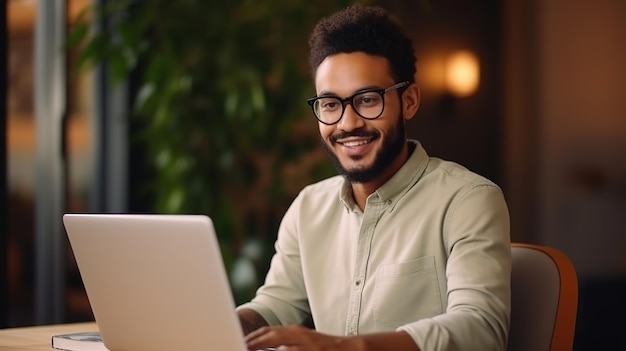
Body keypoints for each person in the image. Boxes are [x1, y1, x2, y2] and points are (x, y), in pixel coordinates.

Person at [237, 4, 511, 351]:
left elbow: (481, 330)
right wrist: (225, 322)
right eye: (331, 104)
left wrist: (346, 347)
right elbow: (275, 307)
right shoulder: (308, 207)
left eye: (367, 100)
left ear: (409, 101)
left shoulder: (468, 199)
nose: (348, 123)